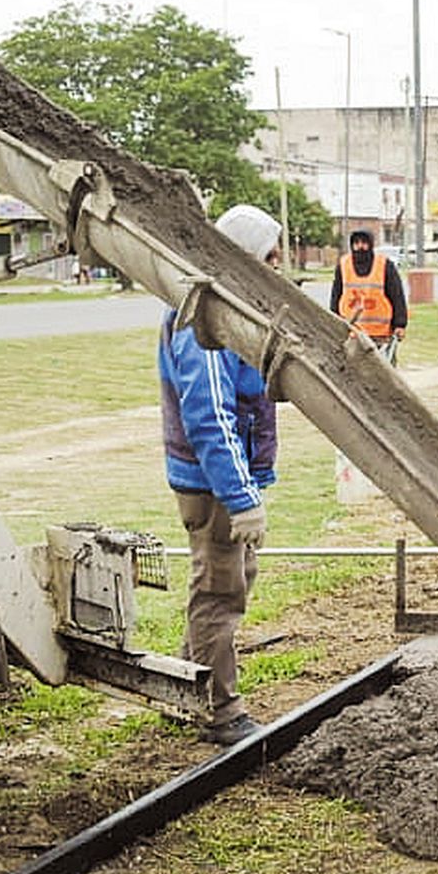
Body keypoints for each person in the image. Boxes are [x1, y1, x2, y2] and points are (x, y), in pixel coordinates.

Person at [158, 204, 282, 746]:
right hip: (214, 487)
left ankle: (183, 686)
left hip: (227, 481)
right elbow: (208, 415)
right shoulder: (204, 318)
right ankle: (219, 710)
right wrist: (240, 498)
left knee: (231, 579)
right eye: (271, 255)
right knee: (219, 590)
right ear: (244, 255)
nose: (280, 265)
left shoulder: (231, 309)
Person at [331, 229, 407, 363]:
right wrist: (334, 322)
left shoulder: (384, 265)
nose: (360, 246)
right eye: (356, 243)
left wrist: (400, 324)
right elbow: (336, 296)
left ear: (371, 244)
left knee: (384, 375)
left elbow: (397, 296)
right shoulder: (343, 265)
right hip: (352, 333)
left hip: (381, 335)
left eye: (364, 243)